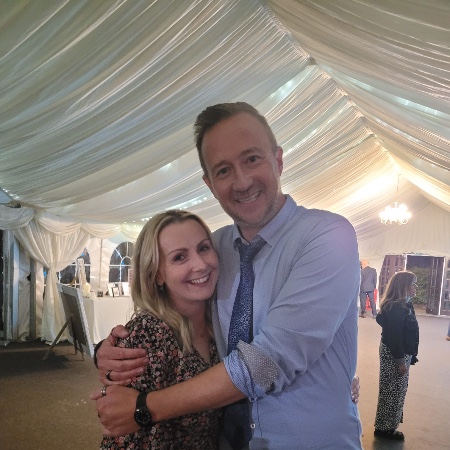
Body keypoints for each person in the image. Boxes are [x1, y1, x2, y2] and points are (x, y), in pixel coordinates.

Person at [92, 102, 362, 449]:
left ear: (278, 160)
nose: (242, 181)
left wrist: (146, 407)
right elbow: (178, 313)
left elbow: (269, 361)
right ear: (209, 183)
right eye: (223, 170)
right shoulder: (214, 248)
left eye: (252, 159)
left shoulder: (328, 236)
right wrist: (110, 351)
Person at [100, 210, 222, 449]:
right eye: (179, 257)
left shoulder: (219, 321)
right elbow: (124, 434)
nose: (200, 265)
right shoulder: (149, 333)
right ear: (157, 274)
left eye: (204, 248)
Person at [374, 271, 419, 441]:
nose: (415, 287)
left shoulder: (404, 305)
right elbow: (395, 337)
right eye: (413, 284)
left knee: (396, 391)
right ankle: (384, 429)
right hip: (395, 354)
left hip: (400, 353)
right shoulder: (396, 308)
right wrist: (401, 362)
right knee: (391, 392)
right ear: (403, 287)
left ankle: (388, 425)